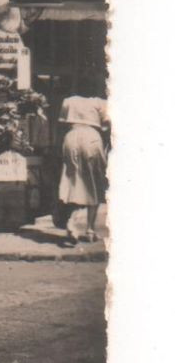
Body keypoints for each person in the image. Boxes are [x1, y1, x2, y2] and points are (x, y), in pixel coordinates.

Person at [57, 93, 108, 247]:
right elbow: (106, 126)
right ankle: (90, 230)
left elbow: (61, 124)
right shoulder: (99, 102)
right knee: (94, 182)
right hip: (91, 137)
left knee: (73, 180)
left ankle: (72, 222)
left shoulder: (68, 100)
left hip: (71, 136)